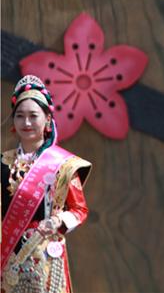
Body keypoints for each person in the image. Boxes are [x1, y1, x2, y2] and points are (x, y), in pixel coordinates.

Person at [1, 75, 91, 293]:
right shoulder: (3, 162)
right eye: (20, 116)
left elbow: (79, 209)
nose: (27, 123)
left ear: (48, 119)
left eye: (33, 116)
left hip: (45, 257)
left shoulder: (62, 165)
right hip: (7, 255)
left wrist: (58, 220)